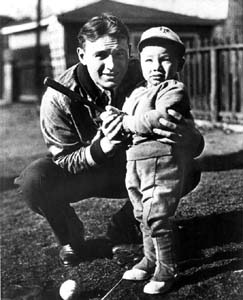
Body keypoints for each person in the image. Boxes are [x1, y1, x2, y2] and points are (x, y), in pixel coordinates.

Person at [14, 14, 204, 269]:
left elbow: (187, 128)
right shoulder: (58, 96)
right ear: (82, 55)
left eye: (120, 54)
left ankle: (125, 228)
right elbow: (63, 159)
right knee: (34, 180)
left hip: (135, 166)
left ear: (129, 51)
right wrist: (100, 148)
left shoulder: (150, 72)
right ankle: (71, 237)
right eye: (101, 55)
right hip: (86, 174)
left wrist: (191, 140)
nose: (112, 65)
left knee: (188, 168)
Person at [102, 26, 204, 294]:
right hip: (134, 163)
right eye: (148, 60)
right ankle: (149, 259)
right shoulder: (137, 91)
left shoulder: (174, 89)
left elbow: (159, 118)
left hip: (162, 161)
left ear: (179, 62)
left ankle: (167, 268)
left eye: (165, 58)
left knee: (156, 216)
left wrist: (126, 122)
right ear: (141, 62)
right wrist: (113, 117)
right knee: (140, 214)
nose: (155, 66)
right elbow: (125, 116)